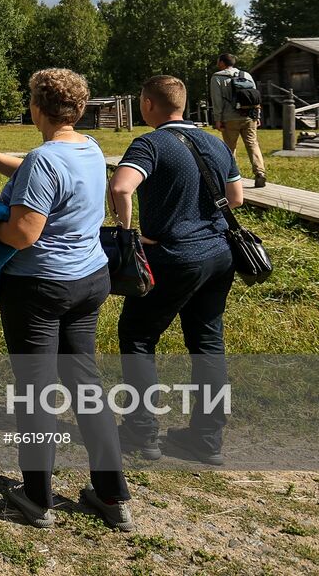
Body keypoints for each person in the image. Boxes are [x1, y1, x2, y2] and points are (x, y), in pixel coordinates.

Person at [0, 69, 133, 532]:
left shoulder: (43, 160)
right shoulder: (88, 148)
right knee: (86, 385)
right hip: (90, 280)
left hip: (40, 289)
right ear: (79, 109)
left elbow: (25, 232)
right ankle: (112, 495)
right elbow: (40, 174)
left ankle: (37, 497)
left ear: (36, 107)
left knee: (36, 392)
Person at [108, 75, 244, 466]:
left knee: (137, 336)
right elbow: (235, 197)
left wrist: (130, 233)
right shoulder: (215, 143)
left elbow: (121, 187)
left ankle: (141, 432)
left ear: (148, 104)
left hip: (174, 255)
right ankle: (206, 438)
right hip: (219, 255)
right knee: (207, 343)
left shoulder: (150, 144)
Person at [210, 53, 266, 188]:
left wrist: (218, 119)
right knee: (253, 144)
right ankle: (260, 173)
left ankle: (232, 178)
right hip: (249, 116)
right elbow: (255, 97)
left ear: (222, 63)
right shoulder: (246, 75)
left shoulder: (217, 77)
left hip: (230, 118)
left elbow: (217, 100)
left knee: (230, 148)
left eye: (218, 61)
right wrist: (257, 115)